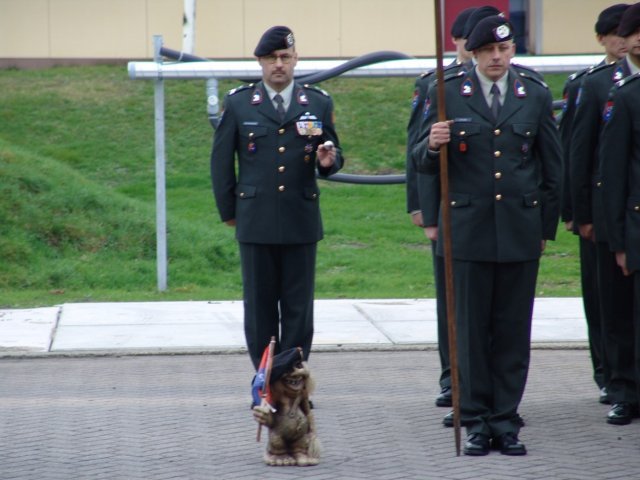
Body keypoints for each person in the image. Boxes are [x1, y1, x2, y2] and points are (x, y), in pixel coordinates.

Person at [413, 16, 562, 456]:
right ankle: (476, 420)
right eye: (488, 51)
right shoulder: (445, 92)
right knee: (471, 333)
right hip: (467, 230)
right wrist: (433, 144)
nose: (497, 57)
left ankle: (506, 420)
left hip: (519, 229)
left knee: (512, 332)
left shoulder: (534, 93)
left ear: (512, 50)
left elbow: (552, 168)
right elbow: (420, 161)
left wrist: (544, 229)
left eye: (504, 49)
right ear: (474, 54)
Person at [210, 26, 344, 373]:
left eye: (285, 57)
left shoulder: (317, 102)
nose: (279, 64)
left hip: (300, 218)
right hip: (256, 219)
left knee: (299, 308)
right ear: (260, 62)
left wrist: (327, 162)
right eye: (271, 58)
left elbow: (333, 153)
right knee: (260, 307)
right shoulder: (240, 103)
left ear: (296, 59)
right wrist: (230, 212)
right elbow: (221, 162)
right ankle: (267, 381)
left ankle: (292, 380)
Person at [569, 3, 638, 425]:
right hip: (610, 211)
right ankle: (620, 384)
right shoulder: (597, 86)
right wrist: (581, 213)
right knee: (613, 306)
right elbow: (581, 153)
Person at [406, 6, 477, 413]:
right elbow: (418, 146)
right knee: (450, 299)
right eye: (471, 41)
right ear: (457, 42)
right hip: (447, 209)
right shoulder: (435, 84)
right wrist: (423, 209)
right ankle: (453, 377)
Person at [599, 3, 640, 425]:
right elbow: (610, 171)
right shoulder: (623, 94)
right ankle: (626, 390)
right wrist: (615, 235)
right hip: (634, 221)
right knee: (625, 315)